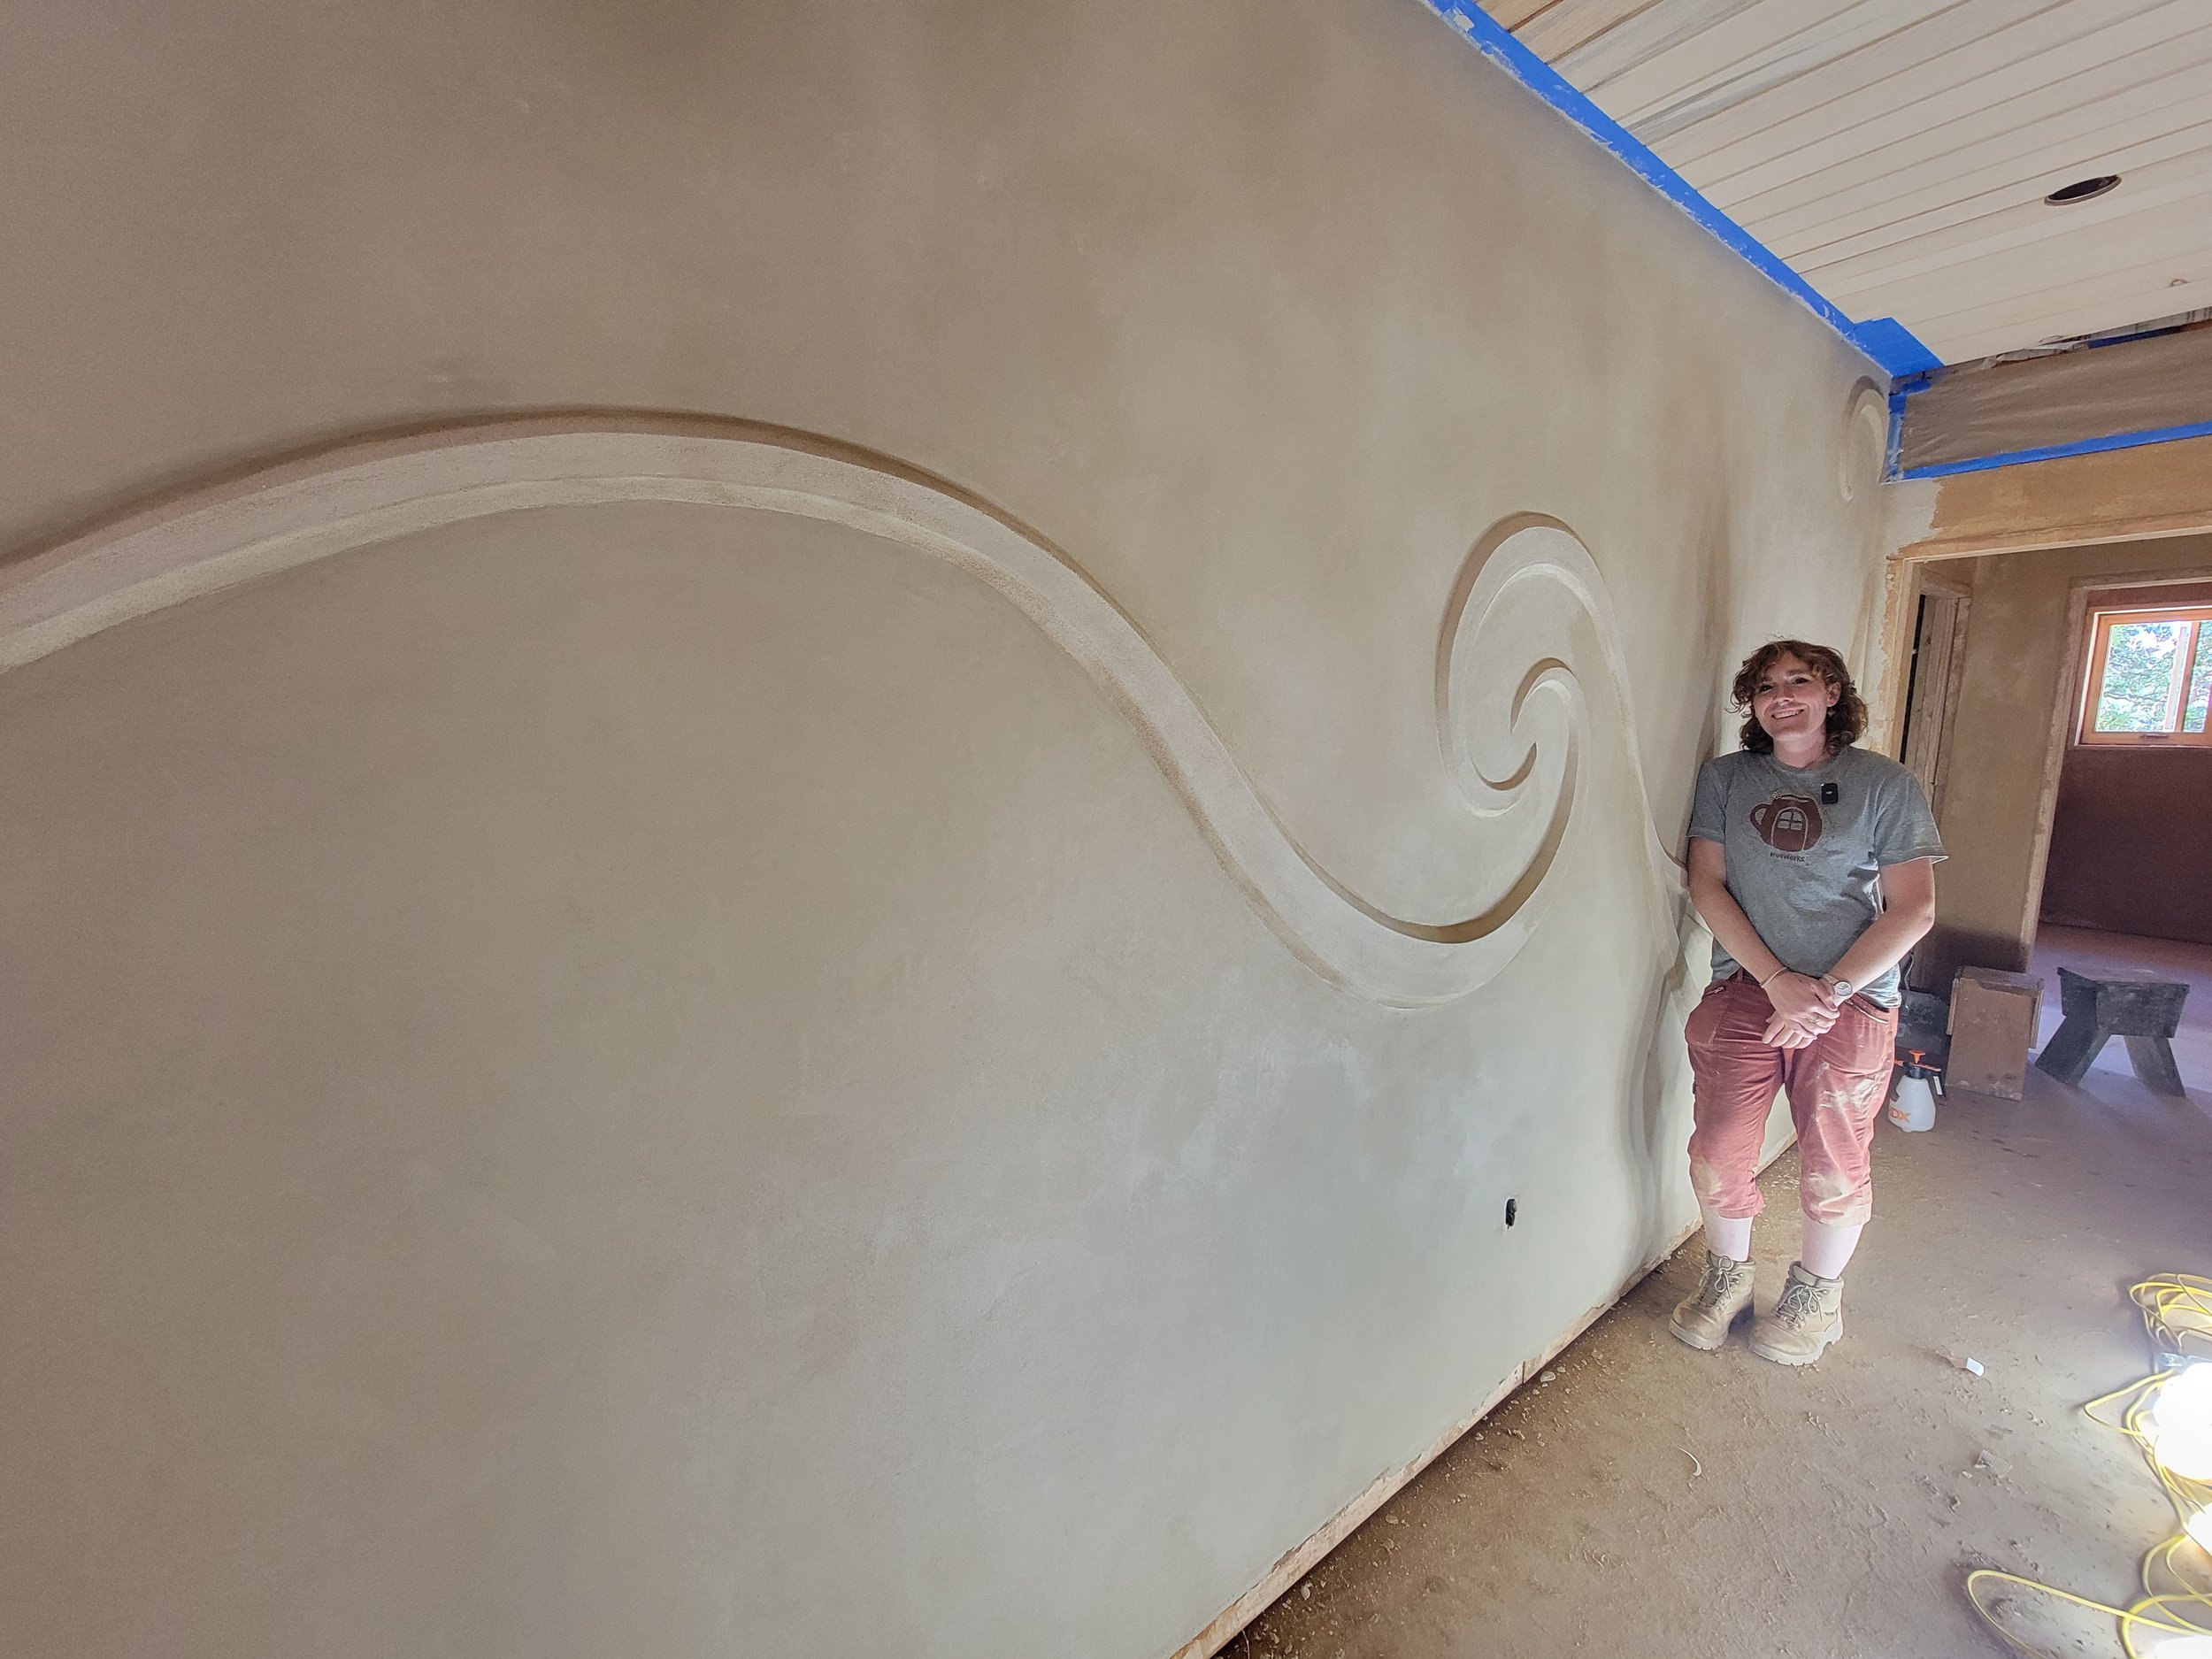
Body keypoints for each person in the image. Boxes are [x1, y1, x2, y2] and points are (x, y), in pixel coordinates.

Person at [1669, 640, 1944, 1364]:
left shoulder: (1884, 784)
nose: (1780, 694)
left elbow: (1912, 910)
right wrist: (1776, 982)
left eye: (1798, 680)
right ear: (1752, 704)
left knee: (1834, 1159)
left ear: (1831, 694)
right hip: (1748, 987)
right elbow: (1707, 885)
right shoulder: (1727, 779)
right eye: (1765, 686)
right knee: (1718, 1149)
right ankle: (1726, 1278)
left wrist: (1827, 991)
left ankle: (1816, 1298)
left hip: (1849, 1002)